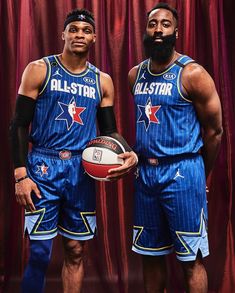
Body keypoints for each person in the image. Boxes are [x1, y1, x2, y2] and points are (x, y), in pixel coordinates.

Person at [9, 8, 137, 293]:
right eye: (74, 29)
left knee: (76, 250)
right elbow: (18, 124)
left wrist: (130, 152)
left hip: (80, 171)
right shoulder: (40, 69)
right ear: (63, 34)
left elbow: (109, 130)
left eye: (86, 30)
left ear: (94, 38)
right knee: (40, 251)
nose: (80, 34)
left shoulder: (101, 81)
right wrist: (20, 175)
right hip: (42, 167)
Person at [128, 3, 223, 293]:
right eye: (152, 24)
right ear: (145, 30)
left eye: (165, 24)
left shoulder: (192, 73)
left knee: (190, 259)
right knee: (150, 257)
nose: (158, 29)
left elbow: (215, 131)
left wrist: (199, 175)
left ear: (176, 32)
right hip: (145, 174)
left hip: (183, 172)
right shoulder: (135, 75)